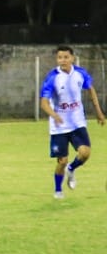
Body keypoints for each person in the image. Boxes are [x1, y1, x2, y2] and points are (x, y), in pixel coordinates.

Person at [39, 45, 106, 199]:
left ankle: (72, 168)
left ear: (72, 58)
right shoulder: (52, 77)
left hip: (77, 123)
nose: (63, 60)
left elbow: (90, 89)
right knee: (61, 161)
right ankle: (58, 190)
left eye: (66, 57)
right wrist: (54, 115)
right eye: (60, 57)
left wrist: (98, 111)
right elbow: (44, 102)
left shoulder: (80, 74)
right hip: (59, 127)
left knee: (85, 153)